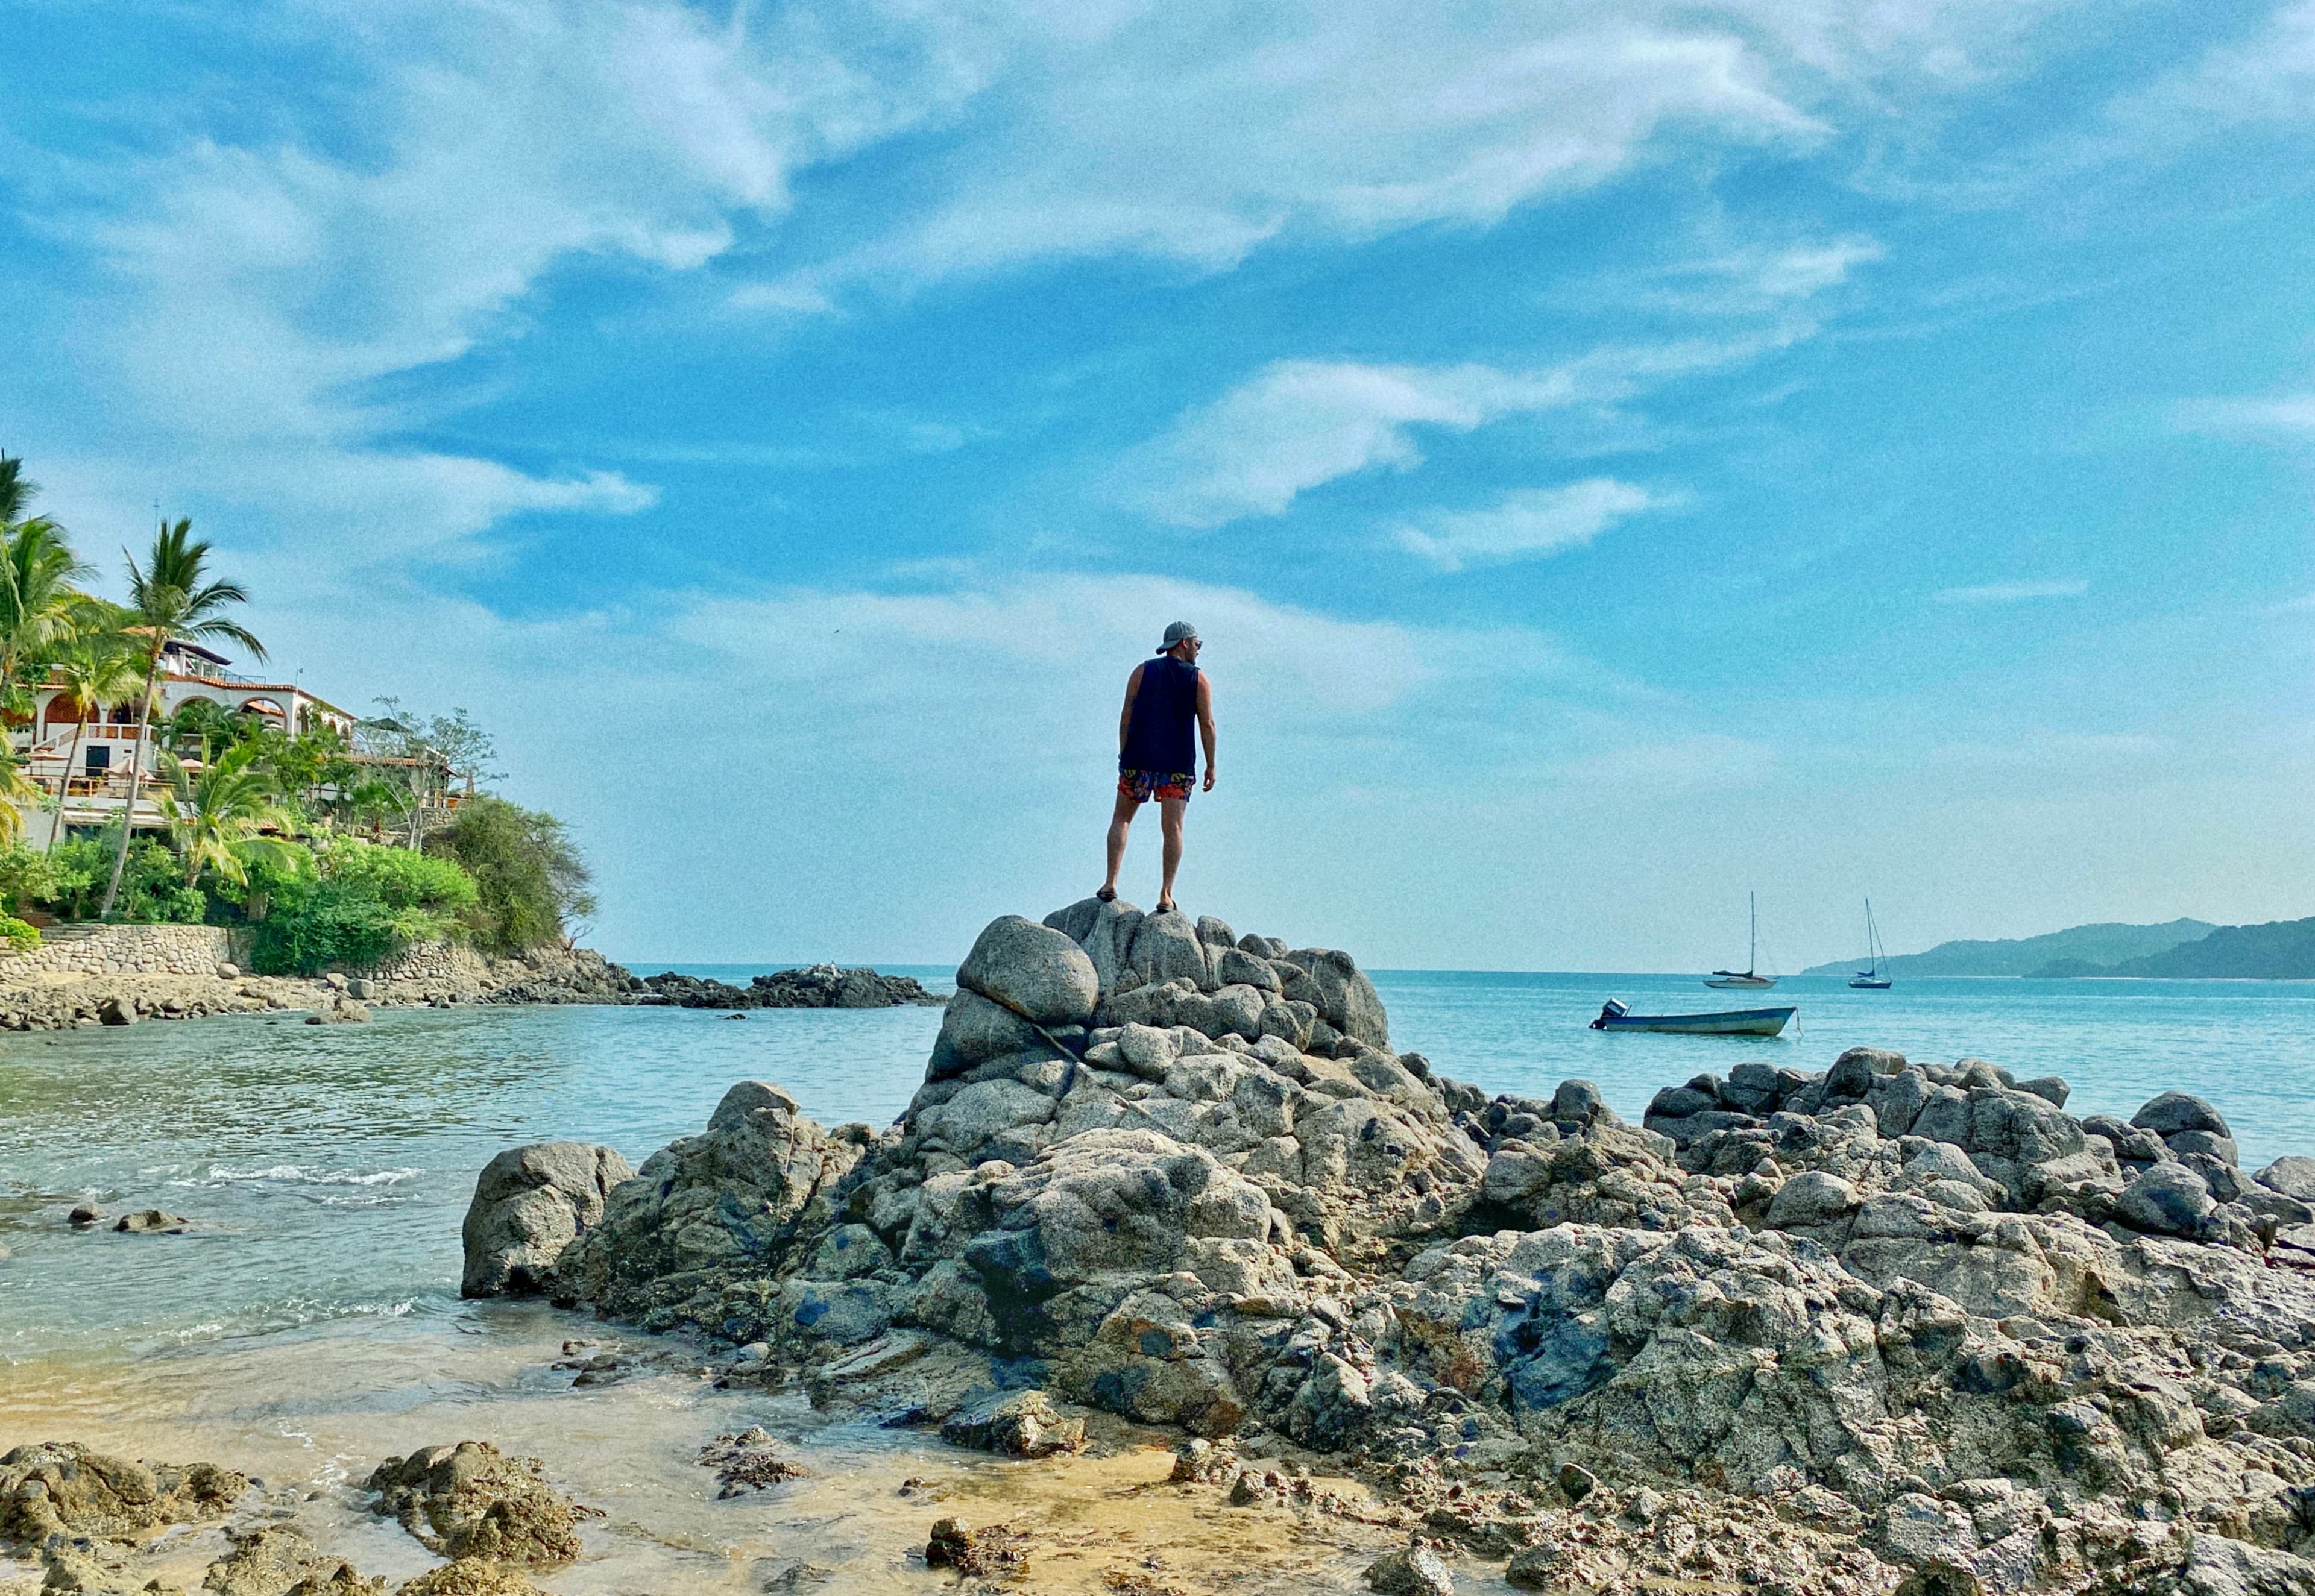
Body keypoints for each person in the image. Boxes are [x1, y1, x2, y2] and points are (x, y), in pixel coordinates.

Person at [1099, 620, 1215, 913]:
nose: (1199, 650)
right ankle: (1165, 893)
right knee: (1173, 828)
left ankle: (1110, 882)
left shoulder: (1142, 671)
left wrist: (1124, 754)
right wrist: (1211, 765)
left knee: (1121, 819)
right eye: (1197, 644)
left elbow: (1126, 715)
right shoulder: (1198, 680)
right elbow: (1207, 725)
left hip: (1138, 759)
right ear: (1184, 643)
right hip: (1177, 763)